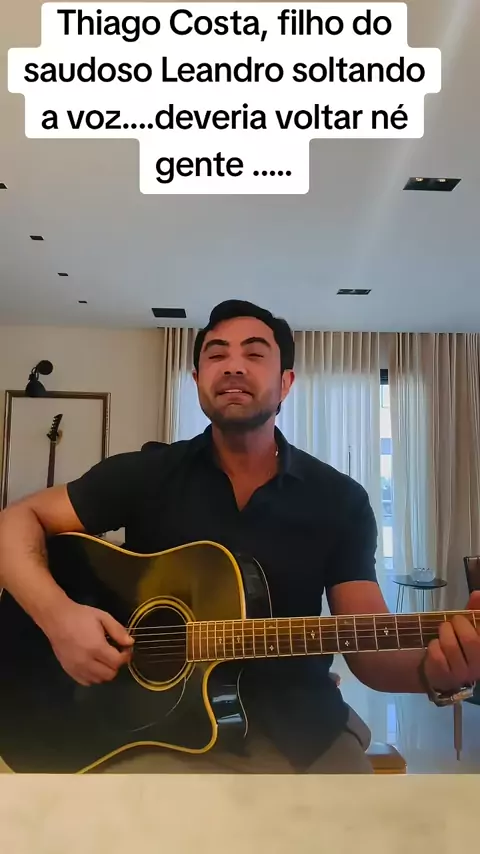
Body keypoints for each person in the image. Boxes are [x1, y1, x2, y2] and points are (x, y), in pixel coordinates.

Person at [0, 299, 479, 775]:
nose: (233, 366)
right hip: (144, 725)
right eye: (216, 354)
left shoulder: (339, 499)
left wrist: (436, 674)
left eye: (254, 353)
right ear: (197, 381)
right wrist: (60, 620)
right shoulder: (146, 473)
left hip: (299, 728)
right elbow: (15, 521)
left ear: (285, 383)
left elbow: (371, 651)